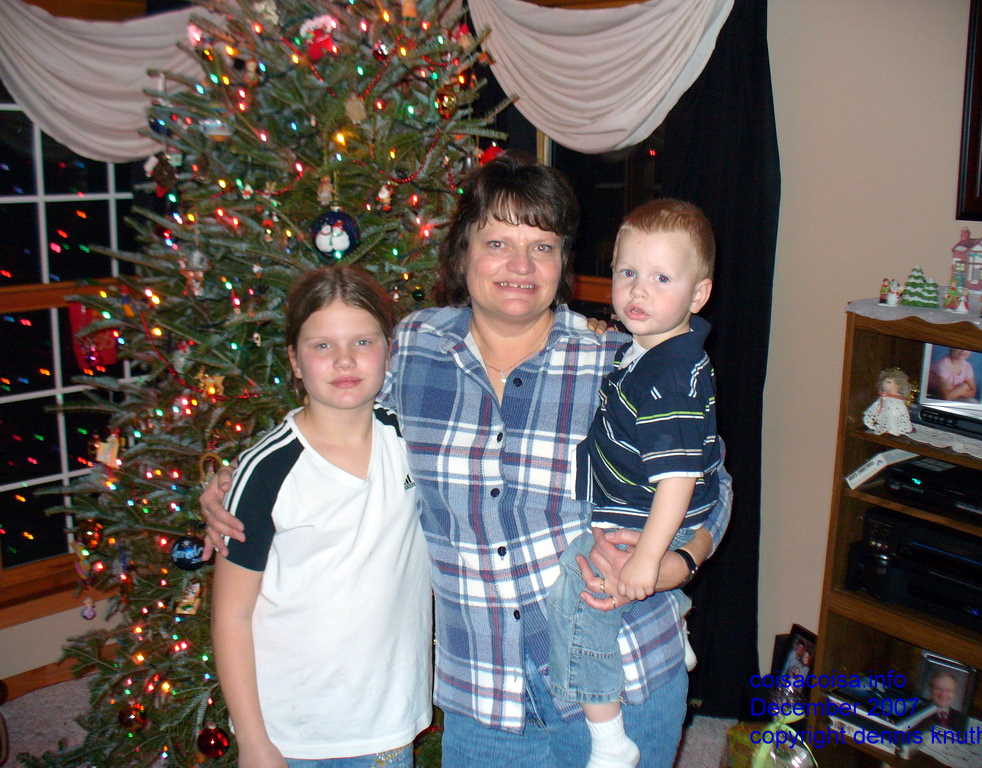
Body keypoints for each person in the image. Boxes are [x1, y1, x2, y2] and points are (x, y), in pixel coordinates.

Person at [203, 152, 733, 767]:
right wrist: (229, 481)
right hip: (486, 702)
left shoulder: (618, 361)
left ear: (564, 261)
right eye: (498, 242)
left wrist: (675, 564)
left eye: (542, 246)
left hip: (624, 677)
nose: (519, 266)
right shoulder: (411, 354)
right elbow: (329, 416)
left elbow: (712, 486)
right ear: (463, 254)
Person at [211, 265, 431, 767]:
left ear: (387, 350)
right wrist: (252, 741)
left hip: (389, 726)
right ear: (294, 360)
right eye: (322, 346)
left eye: (362, 341)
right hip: (294, 737)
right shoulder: (268, 469)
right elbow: (231, 614)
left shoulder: (413, 441)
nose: (345, 361)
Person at [545, 199, 719, 768]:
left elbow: (677, 478)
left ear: (697, 295)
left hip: (654, 520)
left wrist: (649, 558)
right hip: (650, 515)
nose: (638, 291)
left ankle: (608, 735)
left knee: (583, 586)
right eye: (628, 273)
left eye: (661, 278)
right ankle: (676, 621)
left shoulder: (669, 376)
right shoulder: (655, 349)